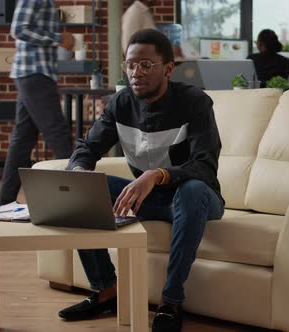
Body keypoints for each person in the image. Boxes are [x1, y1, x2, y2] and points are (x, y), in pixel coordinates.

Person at [58, 29, 224, 332]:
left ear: (168, 69)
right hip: (147, 198)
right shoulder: (120, 104)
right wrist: (79, 171)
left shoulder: (195, 103)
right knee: (83, 188)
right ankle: (106, 289)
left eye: (146, 65)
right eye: (130, 65)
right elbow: (87, 147)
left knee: (192, 189)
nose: (136, 72)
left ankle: (170, 302)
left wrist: (156, 175)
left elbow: (204, 166)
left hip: (195, 198)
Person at [0, 0, 75, 206]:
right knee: (58, 134)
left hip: (33, 74)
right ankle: (78, 196)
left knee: (23, 139)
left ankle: (5, 201)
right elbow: (18, 29)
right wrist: (57, 38)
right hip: (35, 74)